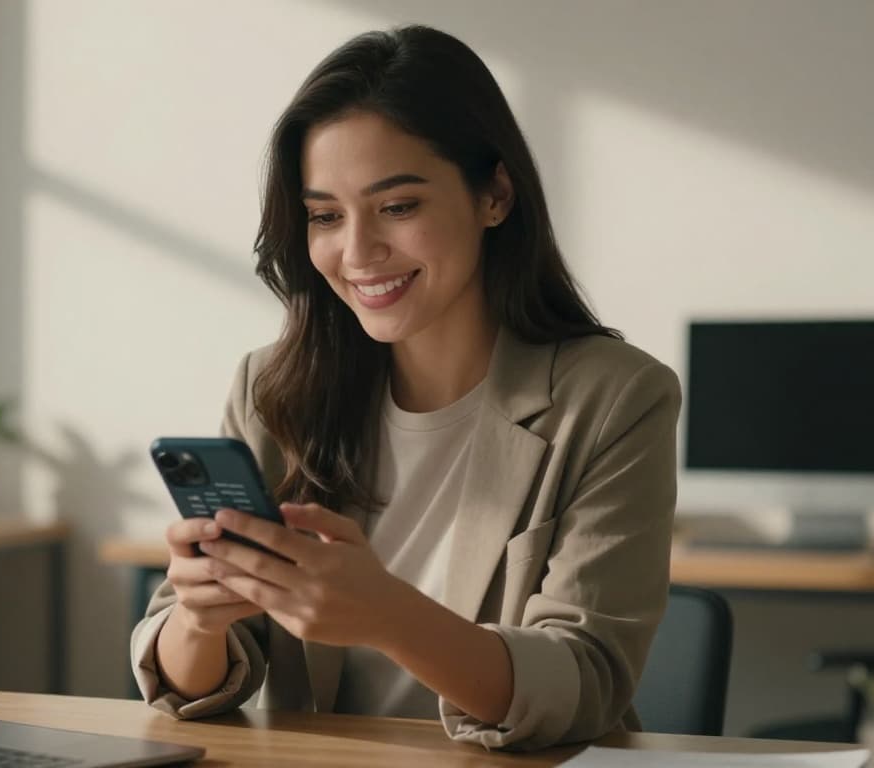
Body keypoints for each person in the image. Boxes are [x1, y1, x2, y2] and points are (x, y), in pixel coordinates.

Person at [130, 24, 681, 751]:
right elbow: (186, 691)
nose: (357, 252)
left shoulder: (616, 398)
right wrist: (199, 619)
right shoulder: (272, 389)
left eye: (398, 207)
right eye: (325, 216)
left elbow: (585, 682)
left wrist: (387, 614)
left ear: (495, 194)